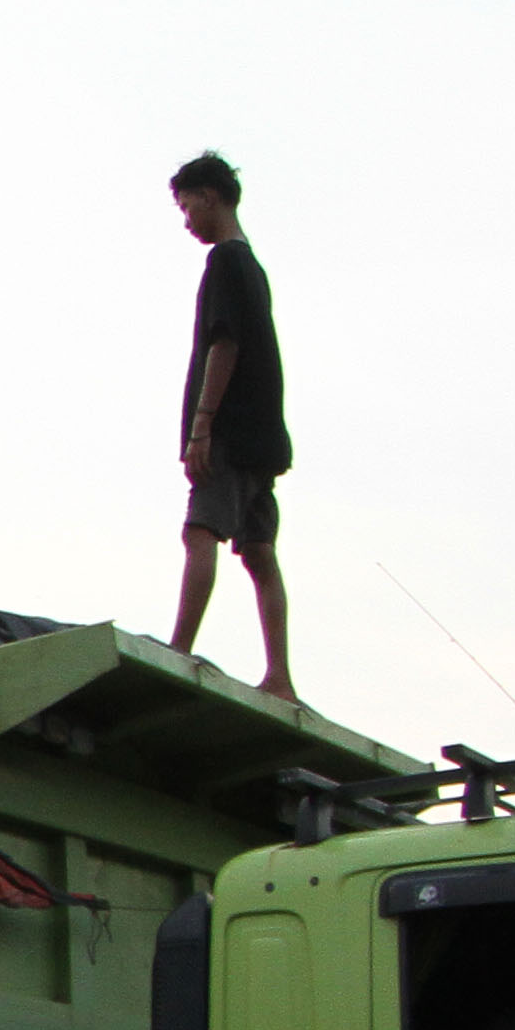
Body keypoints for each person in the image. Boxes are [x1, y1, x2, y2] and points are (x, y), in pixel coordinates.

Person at [162, 151, 295, 702]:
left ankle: (179, 648)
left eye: (187, 203)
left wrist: (202, 427)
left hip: (232, 435)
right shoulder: (253, 267)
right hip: (263, 440)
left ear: (209, 195)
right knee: (260, 552)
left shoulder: (225, 263)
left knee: (200, 533)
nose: (186, 217)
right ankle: (280, 677)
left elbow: (224, 343)